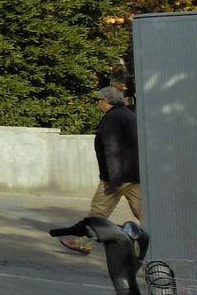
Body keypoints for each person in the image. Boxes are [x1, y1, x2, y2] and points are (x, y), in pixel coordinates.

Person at [61, 86, 144, 255]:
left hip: (117, 176)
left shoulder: (112, 119)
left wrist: (113, 178)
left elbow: (112, 149)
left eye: (99, 100)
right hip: (135, 174)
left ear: (105, 101)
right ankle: (149, 244)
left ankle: (83, 242)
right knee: (144, 212)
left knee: (98, 211)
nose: (98, 104)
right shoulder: (129, 115)